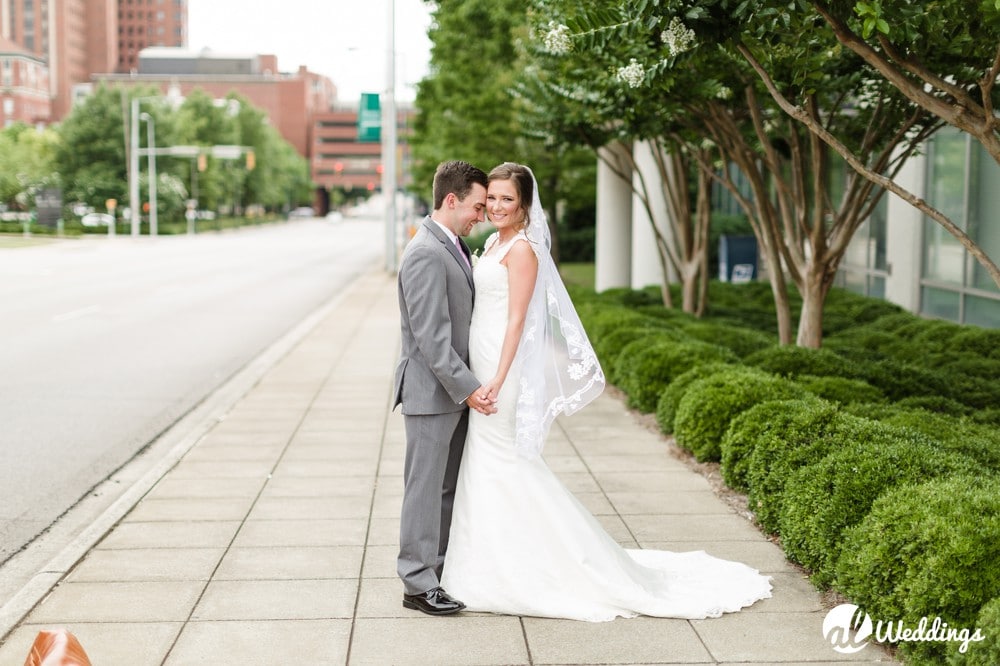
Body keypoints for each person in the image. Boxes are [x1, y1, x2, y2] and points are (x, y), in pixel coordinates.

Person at [440, 162, 773, 620]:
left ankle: (526, 567)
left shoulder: (522, 251)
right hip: (480, 360)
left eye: (506, 200)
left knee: (505, 461)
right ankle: (492, 559)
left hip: (502, 368)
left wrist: (496, 377)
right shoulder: (493, 242)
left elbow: (518, 320)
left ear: (524, 206)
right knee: (489, 460)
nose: (496, 207)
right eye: (491, 198)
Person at [393, 160, 497, 616]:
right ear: (451, 200)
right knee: (424, 489)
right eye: (477, 206)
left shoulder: (450, 246)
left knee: (445, 488)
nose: (482, 215)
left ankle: (434, 571)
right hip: (431, 394)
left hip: (449, 395)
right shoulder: (425, 253)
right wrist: (470, 388)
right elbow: (432, 339)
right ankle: (416, 583)